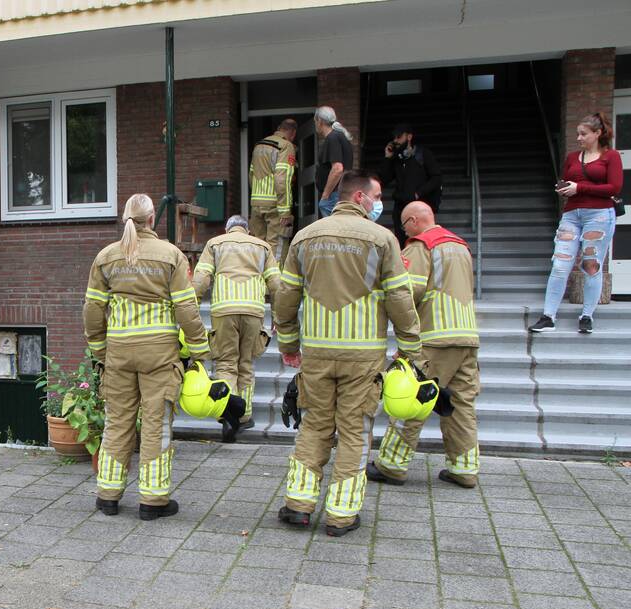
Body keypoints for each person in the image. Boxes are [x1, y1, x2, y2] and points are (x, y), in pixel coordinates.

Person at [274, 170, 424, 536]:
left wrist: (289, 345)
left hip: (318, 353)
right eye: (377, 197)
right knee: (355, 431)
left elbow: (286, 297)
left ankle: (299, 505)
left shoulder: (305, 237)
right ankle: (341, 514)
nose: (379, 203)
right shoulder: (382, 239)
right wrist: (409, 349)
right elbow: (399, 297)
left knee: (315, 425)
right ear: (360, 197)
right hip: (363, 355)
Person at [84, 194, 210, 521]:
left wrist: (99, 350)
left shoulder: (106, 257)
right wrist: (199, 348)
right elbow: (185, 307)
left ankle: (108, 495)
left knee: (117, 422)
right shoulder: (170, 255)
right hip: (159, 355)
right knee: (157, 425)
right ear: (153, 219)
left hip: (118, 354)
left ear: (125, 218)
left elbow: (93, 308)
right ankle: (153, 501)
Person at [368, 201, 480, 488]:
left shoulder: (422, 246)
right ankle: (464, 469)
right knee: (461, 404)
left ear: (414, 221)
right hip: (466, 337)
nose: (404, 231)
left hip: (433, 338)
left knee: (412, 400)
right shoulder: (460, 245)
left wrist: (402, 335)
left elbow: (406, 292)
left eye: (404, 225)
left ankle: (391, 465)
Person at [529, 113, 624, 335]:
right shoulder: (572, 157)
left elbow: (614, 188)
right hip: (572, 215)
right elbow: (567, 181)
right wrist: (564, 189)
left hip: (599, 215)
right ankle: (548, 317)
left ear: (597, 133)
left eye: (583, 134)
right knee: (560, 265)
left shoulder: (611, 156)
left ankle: (587, 316)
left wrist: (579, 188)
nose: (579, 138)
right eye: (578, 134)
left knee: (591, 265)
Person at [192, 214, 281, 440]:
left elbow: (201, 280)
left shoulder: (215, 244)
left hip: (224, 310)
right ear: (247, 230)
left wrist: (191, 310)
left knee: (226, 363)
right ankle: (244, 416)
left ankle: (228, 414)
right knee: (246, 363)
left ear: (227, 229)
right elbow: (276, 285)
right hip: (253, 311)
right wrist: (279, 316)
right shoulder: (263, 247)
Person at [380, 123, 443, 248]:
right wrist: (387, 158)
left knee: (421, 242)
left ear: (409, 137)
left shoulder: (423, 154)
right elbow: (384, 179)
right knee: (402, 242)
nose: (395, 141)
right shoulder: (397, 158)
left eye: (399, 137)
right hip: (400, 207)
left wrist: (418, 193)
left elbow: (436, 178)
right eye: (394, 137)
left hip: (419, 206)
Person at [249, 119, 297, 261]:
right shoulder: (286, 146)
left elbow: (251, 175)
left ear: (279, 128)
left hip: (256, 204)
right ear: (293, 133)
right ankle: (275, 275)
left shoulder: (258, 146)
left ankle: (260, 275)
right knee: (276, 248)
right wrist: (285, 211)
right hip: (275, 206)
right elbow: (282, 180)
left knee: (258, 246)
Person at [315, 106, 354, 218]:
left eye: (315, 121)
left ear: (320, 121)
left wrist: (325, 195)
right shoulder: (339, 136)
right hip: (338, 193)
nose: (315, 124)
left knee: (334, 227)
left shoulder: (332, 138)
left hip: (333, 195)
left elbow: (337, 168)